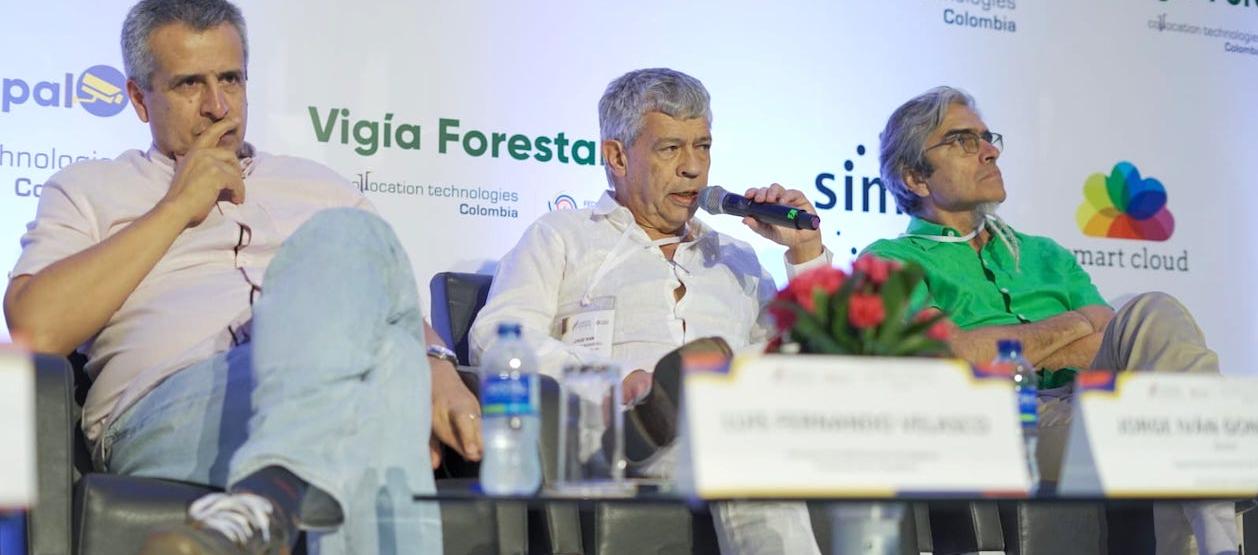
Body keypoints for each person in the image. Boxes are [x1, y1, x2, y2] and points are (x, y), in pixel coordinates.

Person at [2, 1, 480, 553]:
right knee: (385, 399)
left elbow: (390, 305)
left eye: (231, 78)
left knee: (350, 242)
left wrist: (435, 366)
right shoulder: (88, 188)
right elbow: (38, 327)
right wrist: (176, 207)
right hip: (178, 402)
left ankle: (263, 500)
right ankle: (289, 477)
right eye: (189, 85)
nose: (218, 105)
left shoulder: (319, 186)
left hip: (340, 375)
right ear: (138, 98)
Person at [470, 67, 831, 555]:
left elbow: (800, 355)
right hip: (614, 428)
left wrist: (805, 255)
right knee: (744, 447)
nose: (693, 168)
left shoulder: (736, 258)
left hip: (731, 421)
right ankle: (662, 410)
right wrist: (607, 379)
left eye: (702, 146)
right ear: (617, 156)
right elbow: (496, 336)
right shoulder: (563, 235)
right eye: (671, 148)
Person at [863, 86, 1238, 555]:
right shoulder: (890, 262)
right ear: (916, 177)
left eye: (986, 137)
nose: (990, 150)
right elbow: (952, 359)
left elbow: (1106, 330)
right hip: (1010, 421)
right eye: (962, 140)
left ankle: (1222, 544)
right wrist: (1076, 322)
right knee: (1178, 425)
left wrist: (1009, 345)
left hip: (1093, 396)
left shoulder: (1046, 254)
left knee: (1154, 310)